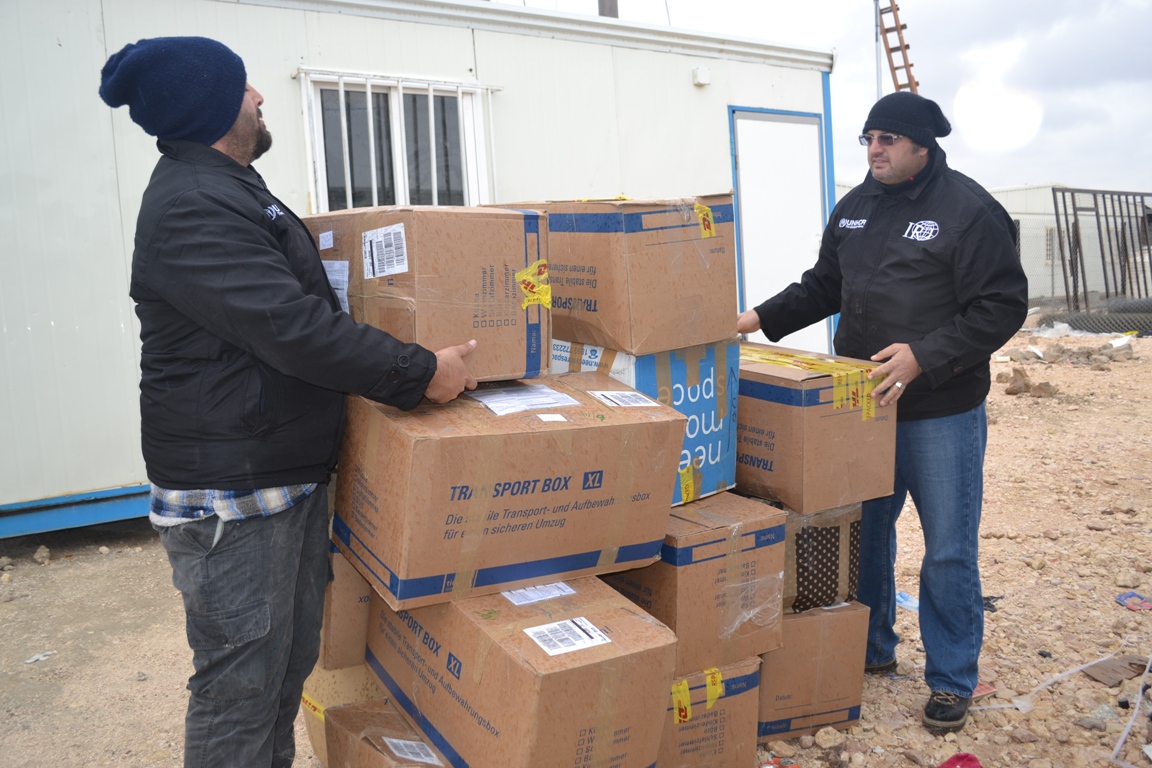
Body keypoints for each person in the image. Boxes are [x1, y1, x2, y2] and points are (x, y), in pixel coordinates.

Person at [99, 36, 477, 767]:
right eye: (244, 86)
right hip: (236, 493)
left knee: (279, 677)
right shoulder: (194, 205)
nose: (259, 96)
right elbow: (292, 328)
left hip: (276, 475)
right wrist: (419, 370)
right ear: (209, 105)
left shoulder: (229, 188)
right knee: (240, 691)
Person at [737, 91, 1027, 732]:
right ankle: (869, 650)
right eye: (869, 138)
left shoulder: (968, 211)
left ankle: (951, 679)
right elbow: (823, 286)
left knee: (948, 549)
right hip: (863, 409)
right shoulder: (855, 209)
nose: (874, 150)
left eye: (888, 139)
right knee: (864, 537)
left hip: (939, 411)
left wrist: (924, 356)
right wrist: (751, 320)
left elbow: (1001, 306)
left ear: (923, 145)